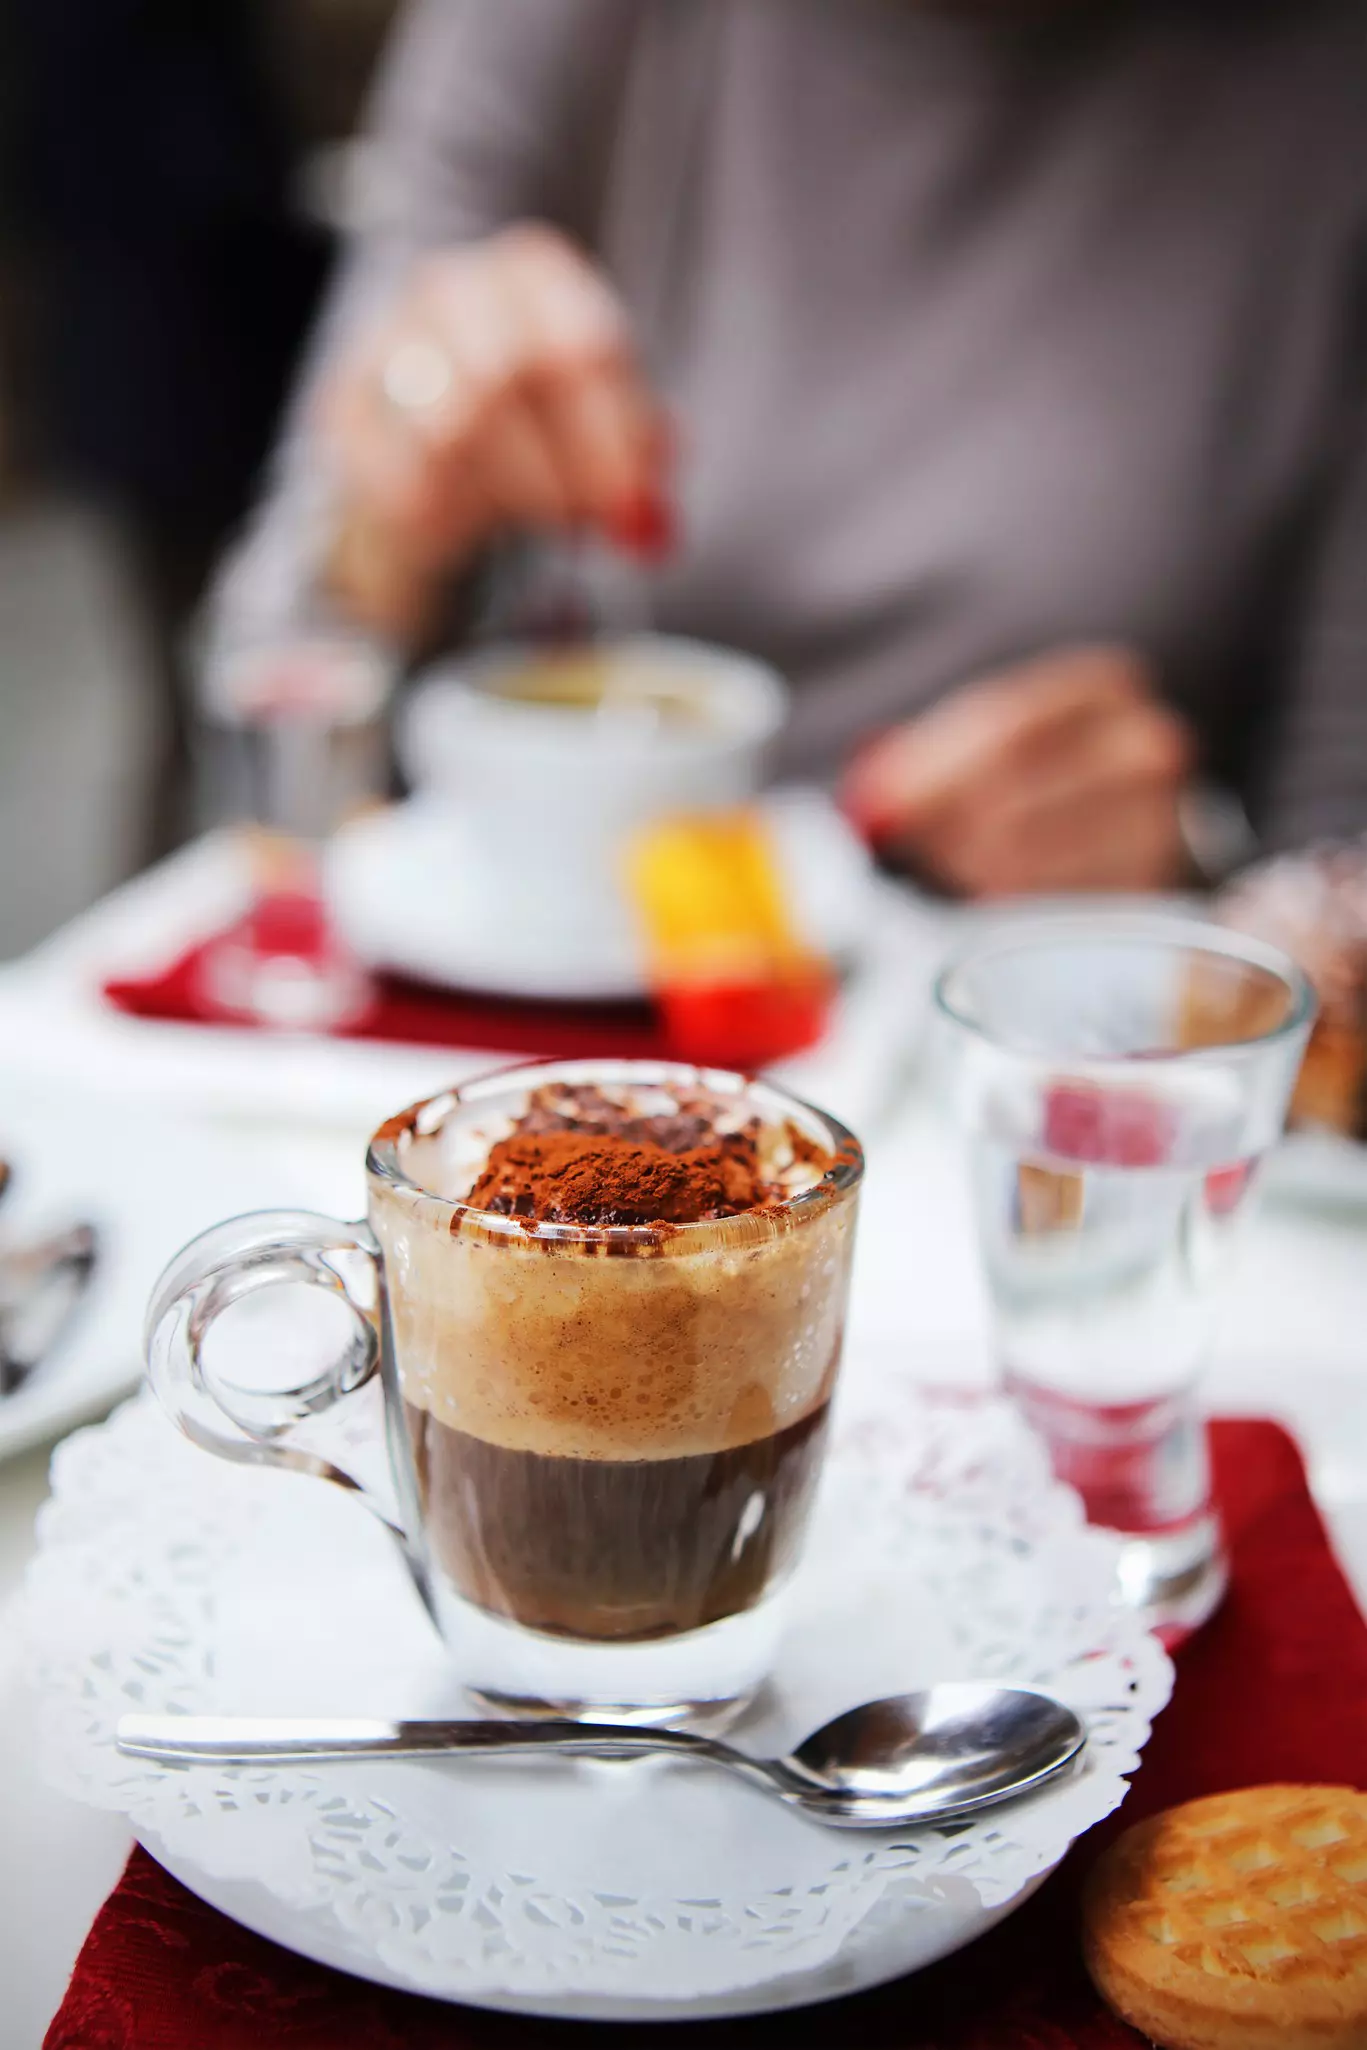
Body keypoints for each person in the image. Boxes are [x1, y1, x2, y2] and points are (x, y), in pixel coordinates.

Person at [220, 0, 1367, 896]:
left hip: (1017, 1057)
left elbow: (1333, 860)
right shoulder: (586, 33)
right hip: (529, 1011)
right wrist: (389, 525)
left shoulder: (1319, 99)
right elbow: (271, 669)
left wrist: (1191, 869)